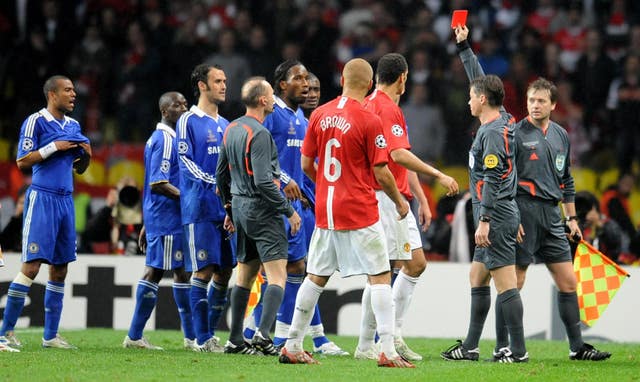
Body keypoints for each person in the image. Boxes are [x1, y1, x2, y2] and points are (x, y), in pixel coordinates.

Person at [447, 25, 609, 362]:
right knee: (512, 282)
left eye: (540, 101)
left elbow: (566, 181)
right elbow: (484, 89)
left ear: (552, 104)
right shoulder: (513, 130)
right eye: (530, 100)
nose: (534, 105)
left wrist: (572, 218)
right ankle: (505, 346)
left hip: (552, 216)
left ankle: (576, 347)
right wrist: (464, 48)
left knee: (567, 281)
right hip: (521, 213)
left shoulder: (561, 136)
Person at [278, 58, 414, 368]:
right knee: (380, 276)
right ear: (369, 85)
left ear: (342, 79)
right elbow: (381, 172)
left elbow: (305, 165)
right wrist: (399, 201)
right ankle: (388, 351)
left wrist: (328, 185)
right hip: (359, 207)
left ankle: (293, 344)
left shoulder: (319, 114)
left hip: (327, 208)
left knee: (315, 277)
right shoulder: (368, 118)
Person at [355, 53, 459, 362]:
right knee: (388, 270)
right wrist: (438, 174)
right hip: (385, 199)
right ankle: (376, 341)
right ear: (403, 77)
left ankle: (380, 339)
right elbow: (398, 155)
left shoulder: (374, 104)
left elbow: (401, 155)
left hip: (391, 196)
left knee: (407, 265)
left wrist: (423, 198)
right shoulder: (386, 109)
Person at [242, 63, 347, 355]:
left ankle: (252, 332)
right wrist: (285, 181)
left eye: (310, 82)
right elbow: (256, 153)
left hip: (301, 207)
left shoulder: (301, 118)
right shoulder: (272, 114)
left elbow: (303, 167)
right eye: (299, 79)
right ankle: (281, 338)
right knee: (290, 271)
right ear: (281, 84)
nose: (306, 86)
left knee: (300, 270)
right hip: (274, 205)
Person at [439, 55, 528, 361]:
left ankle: (517, 351)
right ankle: (471, 347)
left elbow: (491, 179)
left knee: (506, 284)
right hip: (502, 210)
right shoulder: (503, 118)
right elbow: (482, 82)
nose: (468, 101)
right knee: (478, 277)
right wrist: (464, 48)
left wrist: (486, 220)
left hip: (495, 214)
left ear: (482, 100)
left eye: (471, 97)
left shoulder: (490, 134)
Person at [0, 75, 91, 350]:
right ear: (52, 95)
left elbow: (80, 168)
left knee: (60, 268)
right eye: (67, 90)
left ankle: (50, 336)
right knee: (31, 266)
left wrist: (86, 156)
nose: (73, 94)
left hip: (66, 201)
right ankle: (4, 333)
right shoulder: (35, 121)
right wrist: (55, 146)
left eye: (74, 90)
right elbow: (21, 161)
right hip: (42, 198)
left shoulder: (74, 125)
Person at [216, 77, 301, 355]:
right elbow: (265, 182)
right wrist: (289, 211)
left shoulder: (232, 128)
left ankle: (235, 339)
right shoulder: (261, 134)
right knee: (278, 276)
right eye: (272, 95)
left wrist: (229, 208)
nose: (275, 98)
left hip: (241, 209)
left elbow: (221, 175)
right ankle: (264, 337)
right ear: (263, 101)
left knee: (245, 275)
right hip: (262, 210)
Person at [123, 91, 198, 350]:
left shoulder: (170, 137)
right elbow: (158, 182)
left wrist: (147, 221)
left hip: (163, 216)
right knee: (157, 271)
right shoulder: (166, 139)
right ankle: (134, 336)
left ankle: (191, 338)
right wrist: (188, 198)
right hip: (168, 216)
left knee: (180, 272)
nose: (184, 108)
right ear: (165, 111)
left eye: (186, 104)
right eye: (178, 105)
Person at [175, 63, 237, 352]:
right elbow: (185, 162)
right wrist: (213, 180)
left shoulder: (225, 125)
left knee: (225, 271)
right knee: (202, 271)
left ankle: (210, 335)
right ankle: (200, 339)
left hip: (224, 210)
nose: (224, 85)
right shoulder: (188, 120)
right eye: (217, 81)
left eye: (224, 80)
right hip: (198, 208)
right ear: (202, 85)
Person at [0, 185, 28, 253]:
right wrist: (15, 219)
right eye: (21, 203)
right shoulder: (15, 223)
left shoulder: (40, 225)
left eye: (27, 203)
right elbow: (3, 243)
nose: (24, 207)